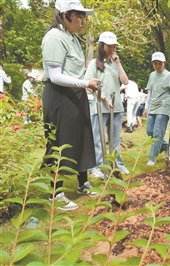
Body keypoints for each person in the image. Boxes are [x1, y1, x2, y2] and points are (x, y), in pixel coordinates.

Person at [41, 0, 100, 211]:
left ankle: (82, 183)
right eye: (80, 16)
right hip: (59, 97)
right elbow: (55, 76)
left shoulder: (73, 38)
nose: (83, 21)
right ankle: (55, 193)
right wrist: (85, 83)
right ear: (66, 15)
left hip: (75, 95)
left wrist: (85, 86)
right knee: (60, 143)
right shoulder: (55, 38)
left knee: (82, 138)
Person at [85, 31, 129, 176]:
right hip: (100, 106)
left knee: (115, 140)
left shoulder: (115, 64)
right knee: (97, 138)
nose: (112, 49)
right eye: (109, 46)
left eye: (114, 46)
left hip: (116, 107)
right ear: (102, 46)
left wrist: (118, 63)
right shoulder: (94, 64)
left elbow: (125, 81)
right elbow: (89, 84)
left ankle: (117, 164)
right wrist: (104, 98)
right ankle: (96, 167)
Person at [143, 52, 170, 166]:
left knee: (158, 132)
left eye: (160, 63)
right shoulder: (152, 75)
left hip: (164, 106)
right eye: (155, 63)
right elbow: (150, 91)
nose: (157, 66)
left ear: (164, 63)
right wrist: (146, 107)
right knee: (150, 131)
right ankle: (167, 146)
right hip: (153, 106)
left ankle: (152, 158)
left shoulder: (169, 75)